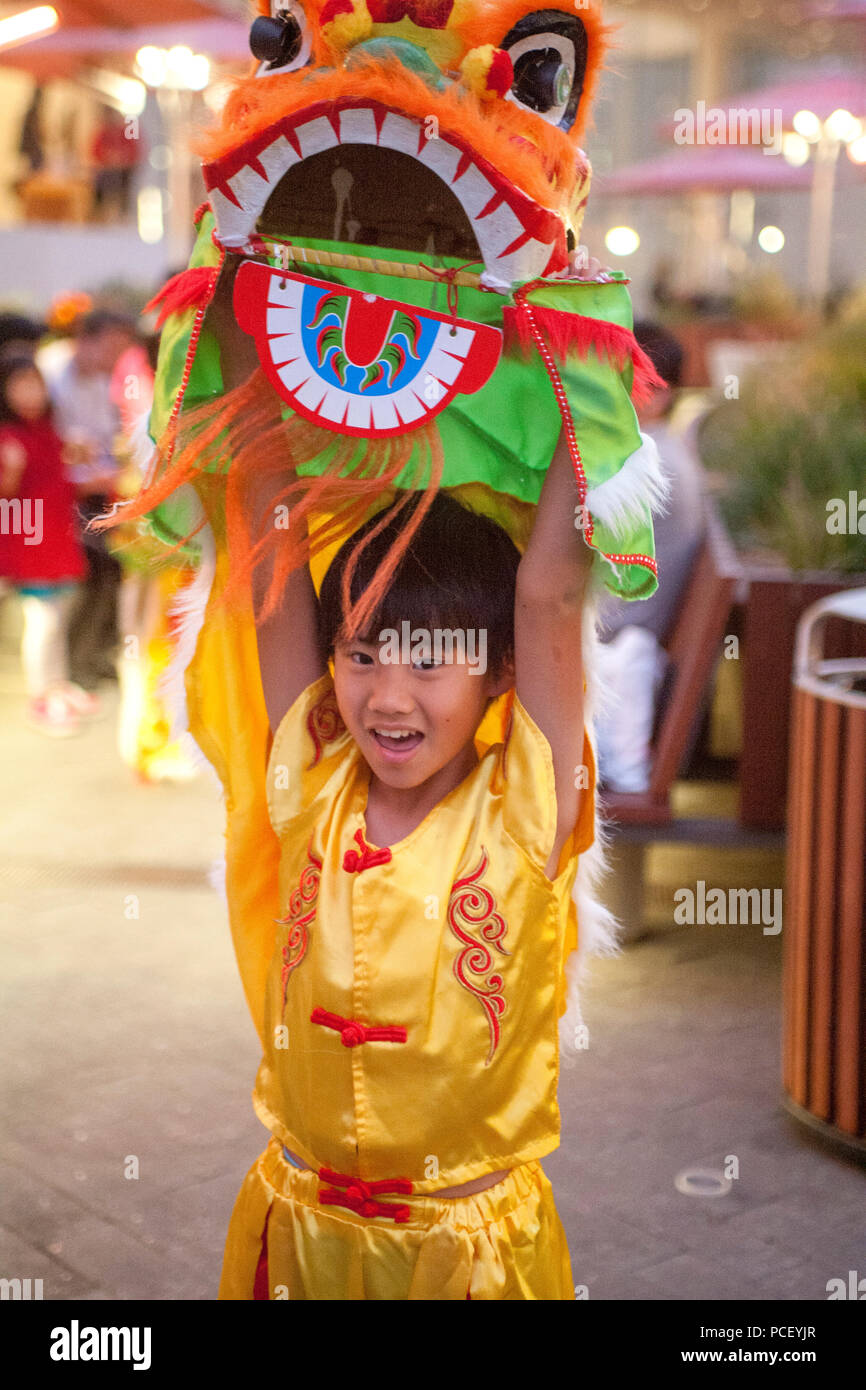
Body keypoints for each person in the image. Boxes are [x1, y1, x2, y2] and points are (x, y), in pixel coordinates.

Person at [216, 427, 596, 1301]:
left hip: (461, 1258)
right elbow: (274, 555)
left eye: (430, 661)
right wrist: (248, 309)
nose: (388, 696)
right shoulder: (312, 780)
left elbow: (547, 596)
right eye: (359, 654)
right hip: (301, 1228)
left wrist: (582, 375)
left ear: (500, 668)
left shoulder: (527, 816)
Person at [595, 321, 705, 794]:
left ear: (658, 393)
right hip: (625, 636)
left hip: (613, 640)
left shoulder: (643, 462)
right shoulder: (662, 452)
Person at [0, 357, 103, 735]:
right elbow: (9, 498)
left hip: (54, 535)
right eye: (20, 384)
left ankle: (57, 684)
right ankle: (42, 696)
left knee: (57, 615)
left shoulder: (46, 430)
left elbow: (60, 478)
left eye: (35, 384)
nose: (30, 392)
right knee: (43, 621)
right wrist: (10, 471)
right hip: (29, 542)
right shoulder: (9, 437)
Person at [46, 309, 135, 692]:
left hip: (98, 488)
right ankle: (73, 667)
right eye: (111, 347)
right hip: (58, 496)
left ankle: (95, 658)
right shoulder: (49, 373)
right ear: (86, 338)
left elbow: (105, 439)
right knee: (83, 576)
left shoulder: (104, 381)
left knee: (109, 572)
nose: (116, 357)